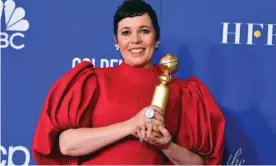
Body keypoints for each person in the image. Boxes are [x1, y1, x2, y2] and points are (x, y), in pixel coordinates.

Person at [32, 0, 225, 165]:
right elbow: (66, 145)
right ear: (116, 40)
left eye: (144, 31)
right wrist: (130, 126)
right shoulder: (93, 81)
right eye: (126, 32)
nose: (135, 40)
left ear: (156, 38)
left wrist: (166, 145)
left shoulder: (183, 92)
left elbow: (198, 163)